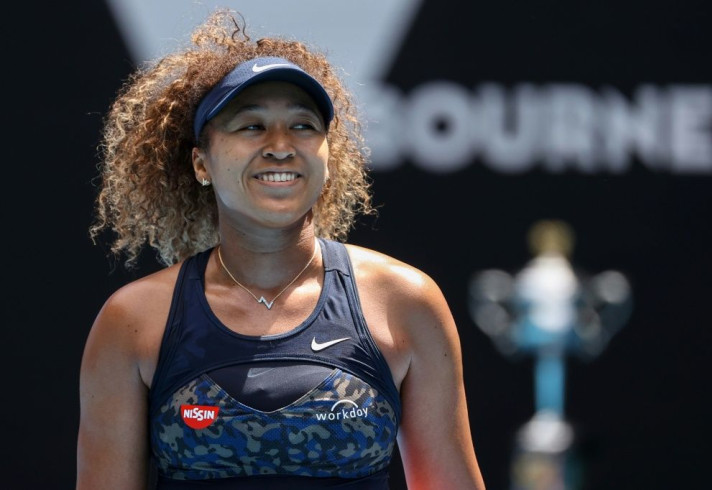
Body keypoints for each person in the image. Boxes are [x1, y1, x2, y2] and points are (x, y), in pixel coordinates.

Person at [77, 8, 485, 490]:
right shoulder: (133, 320)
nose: (280, 146)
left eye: (302, 126)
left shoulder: (406, 301)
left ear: (329, 160)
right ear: (201, 162)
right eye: (250, 126)